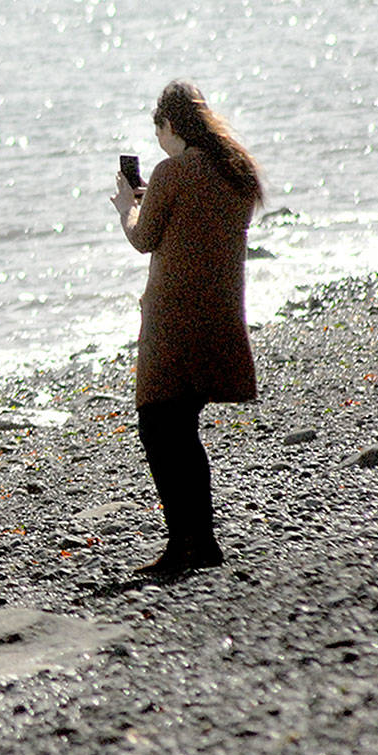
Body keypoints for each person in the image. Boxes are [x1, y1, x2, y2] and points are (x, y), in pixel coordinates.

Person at [109, 80, 262, 574]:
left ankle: (185, 544)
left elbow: (144, 237)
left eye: (159, 132)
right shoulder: (234, 170)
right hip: (219, 311)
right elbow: (199, 219)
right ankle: (203, 542)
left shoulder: (172, 171)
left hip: (174, 315)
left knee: (159, 426)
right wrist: (158, 198)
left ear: (168, 125)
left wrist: (127, 207)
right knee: (182, 427)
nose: (159, 142)